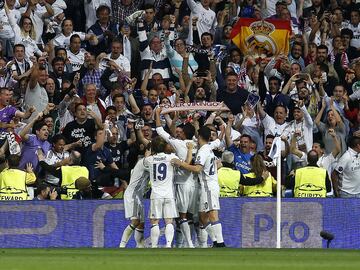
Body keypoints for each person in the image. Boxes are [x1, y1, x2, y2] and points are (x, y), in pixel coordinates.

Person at [172, 126, 225, 248]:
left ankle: (220, 243)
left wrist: (182, 164)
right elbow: (218, 142)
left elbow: (197, 169)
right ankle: (215, 241)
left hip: (209, 186)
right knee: (202, 217)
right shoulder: (208, 147)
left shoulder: (203, 151)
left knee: (212, 214)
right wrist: (222, 131)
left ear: (199, 136)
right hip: (205, 187)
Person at [144, 136, 180, 248]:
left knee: (154, 221)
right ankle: (168, 245)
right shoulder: (171, 158)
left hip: (156, 195)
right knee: (169, 220)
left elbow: (146, 159)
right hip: (169, 194)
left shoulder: (149, 160)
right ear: (165, 146)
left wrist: (149, 149)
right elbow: (182, 163)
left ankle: (154, 246)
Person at [119, 145, 151, 248]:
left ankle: (140, 246)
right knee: (135, 221)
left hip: (138, 196)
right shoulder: (144, 162)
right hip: (132, 195)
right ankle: (122, 245)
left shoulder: (146, 162)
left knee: (141, 223)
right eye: (150, 151)